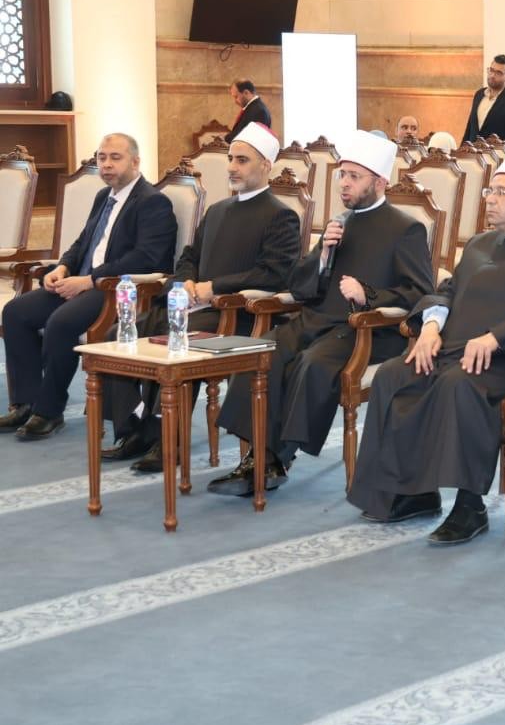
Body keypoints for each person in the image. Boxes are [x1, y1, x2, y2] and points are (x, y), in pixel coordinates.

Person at [347, 152, 505, 542]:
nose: (490, 199)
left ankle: (469, 505)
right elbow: (447, 289)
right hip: (455, 350)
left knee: (458, 383)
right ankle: (411, 493)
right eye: (490, 190)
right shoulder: (480, 243)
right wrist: (431, 326)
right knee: (393, 375)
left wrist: (497, 336)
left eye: (502, 192)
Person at [207, 131, 434, 496]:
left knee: (312, 364)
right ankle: (260, 455)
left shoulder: (406, 229)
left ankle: (274, 457)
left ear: (379, 182)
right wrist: (324, 257)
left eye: (354, 177)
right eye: (342, 175)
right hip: (316, 320)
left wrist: (369, 294)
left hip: (363, 330)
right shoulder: (340, 221)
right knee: (261, 354)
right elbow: (299, 285)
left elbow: (420, 293)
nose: (344, 183)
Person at [99, 124, 301, 470]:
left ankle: (169, 439)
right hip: (192, 305)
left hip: (237, 314)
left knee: (177, 339)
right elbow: (189, 257)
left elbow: (273, 274)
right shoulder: (218, 210)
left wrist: (214, 288)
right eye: (230, 159)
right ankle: (135, 428)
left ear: (266, 165)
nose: (232, 167)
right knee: (117, 334)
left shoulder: (281, 215)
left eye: (242, 160)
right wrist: (187, 284)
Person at [1, 134, 177, 441]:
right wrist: (62, 267)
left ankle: (49, 410)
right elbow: (83, 242)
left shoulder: (153, 202)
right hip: (80, 282)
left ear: (136, 162)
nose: (106, 164)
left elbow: (146, 258)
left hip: (115, 290)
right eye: (101, 157)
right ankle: (26, 402)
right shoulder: (103, 196)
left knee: (61, 322)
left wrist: (90, 279)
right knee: (16, 312)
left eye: (115, 158)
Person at [462, 54, 505, 151]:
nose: (492, 75)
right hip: (472, 156)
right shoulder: (479, 94)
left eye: (499, 73)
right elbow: (469, 129)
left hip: (497, 158)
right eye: (491, 70)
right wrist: (461, 152)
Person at [226, 79, 271, 143]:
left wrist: (225, 138)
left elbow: (247, 138)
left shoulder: (259, 111)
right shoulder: (252, 108)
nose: (235, 101)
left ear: (246, 93)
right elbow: (240, 131)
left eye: (236, 97)